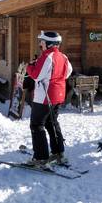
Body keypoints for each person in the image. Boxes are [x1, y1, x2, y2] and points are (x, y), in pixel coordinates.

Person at [26, 31, 73, 166]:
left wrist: (30, 66)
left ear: (49, 43)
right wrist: (55, 79)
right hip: (58, 95)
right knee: (52, 123)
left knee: (37, 125)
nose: (40, 44)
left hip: (44, 97)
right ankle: (58, 152)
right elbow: (68, 71)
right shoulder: (63, 56)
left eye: (42, 42)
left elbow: (36, 75)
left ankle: (41, 157)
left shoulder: (47, 57)